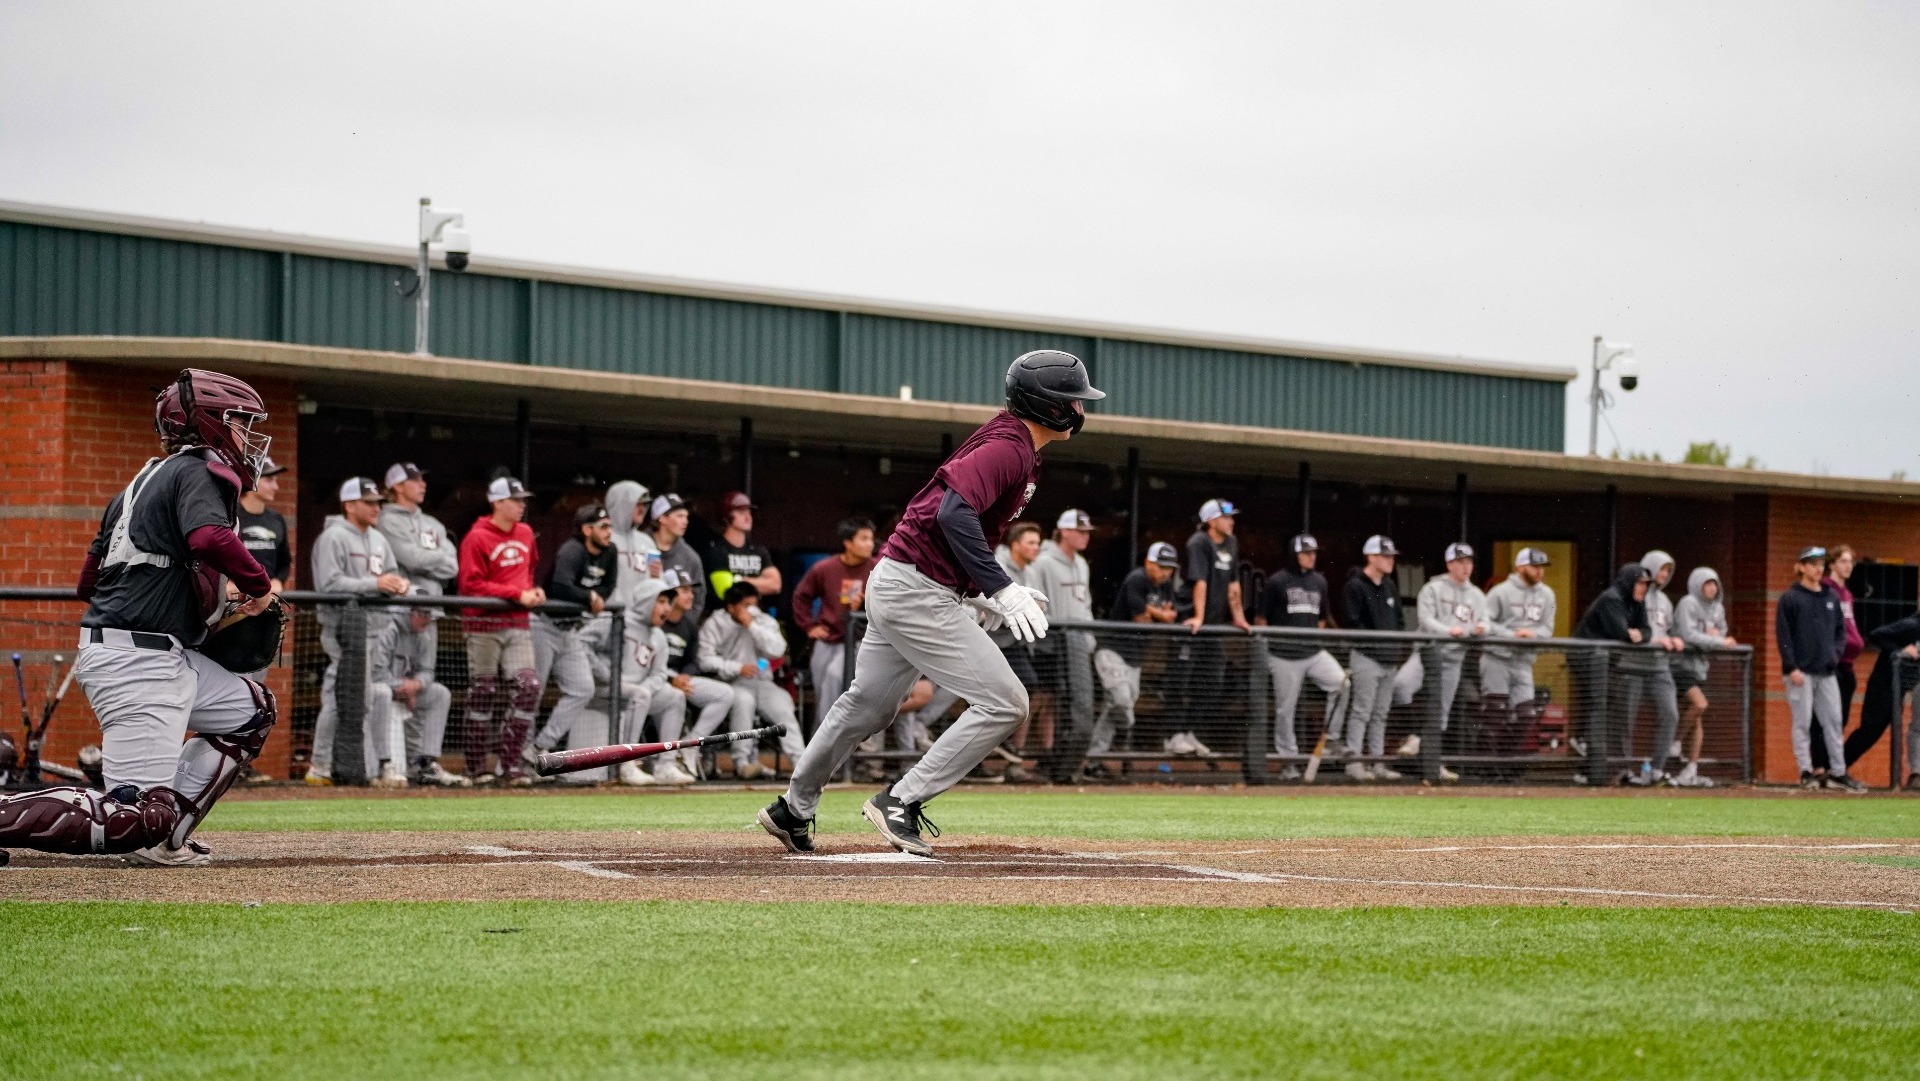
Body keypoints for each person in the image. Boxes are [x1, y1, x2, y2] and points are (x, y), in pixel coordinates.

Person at [758, 349, 1098, 856]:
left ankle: (793, 808)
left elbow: (956, 521)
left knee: (867, 706)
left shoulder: (1019, 445)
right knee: (1007, 702)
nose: (1080, 410)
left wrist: (981, 589)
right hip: (917, 590)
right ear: (1046, 405)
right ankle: (903, 799)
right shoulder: (1009, 447)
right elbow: (952, 514)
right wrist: (998, 586)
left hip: (904, 581)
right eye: (1072, 400)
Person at [0, 369, 278, 867]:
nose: (247, 435)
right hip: (139, 659)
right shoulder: (197, 468)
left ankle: (165, 840)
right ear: (210, 422)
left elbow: (88, 583)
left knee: (251, 712)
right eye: (240, 421)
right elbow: (208, 539)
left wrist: (196, 592)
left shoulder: (135, 485)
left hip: (153, 651)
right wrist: (257, 586)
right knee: (128, 816)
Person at [309, 477, 409, 787]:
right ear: (349, 505)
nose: (375, 507)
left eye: (378, 502)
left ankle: (336, 764)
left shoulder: (378, 539)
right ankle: (320, 764)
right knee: (343, 695)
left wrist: (398, 583)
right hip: (343, 629)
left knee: (360, 696)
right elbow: (329, 584)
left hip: (375, 628)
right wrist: (375, 584)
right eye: (368, 502)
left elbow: (392, 572)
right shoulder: (333, 537)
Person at [456, 475, 545, 785]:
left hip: (517, 623)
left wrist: (531, 591)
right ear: (496, 502)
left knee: (529, 686)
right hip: (483, 624)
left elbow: (527, 572)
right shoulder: (477, 537)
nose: (522, 506)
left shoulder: (525, 532)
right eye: (515, 500)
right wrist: (513, 593)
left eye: (523, 500)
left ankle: (510, 765)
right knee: (484, 690)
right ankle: (476, 767)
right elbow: (470, 586)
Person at [529, 504, 619, 764]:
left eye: (610, 527)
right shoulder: (572, 550)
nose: (608, 532)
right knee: (533, 693)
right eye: (603, 527)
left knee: (582, 688)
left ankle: (539, 746)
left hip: (570, 630)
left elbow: (609, 585)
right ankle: (513, 759)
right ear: (586, 529)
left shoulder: (609, 552)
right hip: (543, 626)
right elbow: (559, 585)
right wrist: (588, 596)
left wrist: (597, 596)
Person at [1256, 533, 1347, 781]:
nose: (1312, 557)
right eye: (1307, 553)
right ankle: (1289, 762)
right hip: (1283, 655)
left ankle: (1331, 739)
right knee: (1286, 710)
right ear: (1295, 556)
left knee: (1342, 684)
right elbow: (1261, 620)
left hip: (1313, 652)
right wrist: (1267, 656)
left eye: (1314, 553)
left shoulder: (1319, 581)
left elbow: (1321, 619)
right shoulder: (1277, 581)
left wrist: (1315, 640)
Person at [1089, 542, 1183, 777]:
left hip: (1136, 657)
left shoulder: (1165, 585)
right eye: (1161, 566)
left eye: (1170, 568)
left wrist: (1155, 612)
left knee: (1116, 708)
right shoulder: (1137, 578)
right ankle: (1122, 741)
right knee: (1121, 703)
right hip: (1112, 650)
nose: (1166, 572)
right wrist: (1157, 613)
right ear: (1148, 563)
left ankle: (1093, 760)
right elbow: (1141, 618)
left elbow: (1171, 616)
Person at [1777, 546, 1866, 792]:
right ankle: (1806, 771)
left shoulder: (1831, 597)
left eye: (1820, 565)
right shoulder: (1791, 598)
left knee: (1834, 722)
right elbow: (1784, 636)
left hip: (1827, 672)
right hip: (1801, 672)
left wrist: (1834, 655)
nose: (1818, 569)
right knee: (1803, 722)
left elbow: (1840, 632)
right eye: (1812, 564)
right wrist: (1791, 666)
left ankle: (1838, 771)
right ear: (1802, 567)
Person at [700, 581, 807, 773]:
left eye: (753, 605)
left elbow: (778, 650)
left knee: (783, 708)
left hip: (762, 683)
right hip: (728, 683)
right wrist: (736, 668)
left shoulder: (763, 621)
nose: (751, 610)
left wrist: (752, 626)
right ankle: (742, 763)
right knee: (744, 702)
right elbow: (704, 659)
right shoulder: (715, 623)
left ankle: (802, 766)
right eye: (745, 606)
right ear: (731, 606)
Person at [1172, 498, 1249, 756]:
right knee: (1182, 680)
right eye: (1226, 517)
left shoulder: (1232, 542)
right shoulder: (1198, 543)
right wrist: (1198, 617)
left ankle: (1189, 732)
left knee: (1213, 681)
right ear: (1212, 521)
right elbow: (1200, 582)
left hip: (1212, 626)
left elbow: (1234, 584)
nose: (1231, 521)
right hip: (1189, 621)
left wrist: (1239, 617)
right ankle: (1173, 735)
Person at [657, 567, 752, 777]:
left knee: (725, 693)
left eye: (691, 590)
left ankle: (691, 744)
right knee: (673, 697)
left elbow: (694, 661)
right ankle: (660, 761)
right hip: (657, 679)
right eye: (684, 590)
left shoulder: (689, 626)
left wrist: (684, 675)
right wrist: (672, 678)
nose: (691, 595)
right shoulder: (657, 621)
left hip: (681, 681)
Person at [1029, 509, 1097, 781]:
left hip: (1078, 644)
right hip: (1050, 641)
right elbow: (1036, 601)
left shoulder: (1082, 563)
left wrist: (1089, 637)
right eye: (1080, 531)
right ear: (1064, 531)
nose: (1085, 537)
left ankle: (1050, 756)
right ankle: (1018, 752)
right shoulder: (1043, 562)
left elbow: (1086, 604)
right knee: (1040, 697)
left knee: (1059, 702)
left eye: (1087, 533)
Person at [792, 516, 876, 734]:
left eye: (871, 539)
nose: (870, 544)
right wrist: (809, 626)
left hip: (860, 641)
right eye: (864, 538)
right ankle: (819, 750)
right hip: (828, 638)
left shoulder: (878, 569)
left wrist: (868, 602)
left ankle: (828, 742)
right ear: (847, 543)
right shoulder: (825, 568)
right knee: (823, 695)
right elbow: (801, 597)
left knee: (834, 677)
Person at [1571, 563, 1652, 785]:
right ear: (1629, 582)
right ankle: (1582, 740)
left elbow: (1647, 631)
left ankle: (1585, 763)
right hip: (1584, 656)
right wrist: (1632, 634)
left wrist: (1640, 635)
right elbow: (1620, 632)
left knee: (1604, 704)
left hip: (1605, 660)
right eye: (1640, 583)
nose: (1644, 588)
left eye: (1646, 584)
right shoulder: (1612, 598)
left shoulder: (1637, 603)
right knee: (1599, 702)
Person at [1415, 541, 1485, 781]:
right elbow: (1425, 620)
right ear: (1449, 564)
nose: (1466, 567)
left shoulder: (1476, 594)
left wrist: (1481, 627)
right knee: (1402, 689)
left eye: (1469, 562)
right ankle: (1413, 739)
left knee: (1441, 712)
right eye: (1460, 562)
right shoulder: (1433, 588)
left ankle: (1432, 762)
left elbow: (1486, 621)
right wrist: (1448, 630)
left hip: (1453, 659)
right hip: (1425, 652)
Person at [1617, 550, 1687, 784]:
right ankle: (1624, 770)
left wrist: (1674, 638)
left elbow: (1668, 630)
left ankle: (1656, 769)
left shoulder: (1666, 601)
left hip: (1659, 666)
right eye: (1662, 568)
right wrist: (1657, 640)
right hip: (1632, 663)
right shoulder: (1635, 594)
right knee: (1626, 719)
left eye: (1669, 570)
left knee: (1670, 714)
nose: (1665, 574)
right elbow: (1632, 630)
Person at [617, 576, 694, 785]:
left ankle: (665, 765)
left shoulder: (659, 636)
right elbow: (589, 647)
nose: (667, 608)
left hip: (638, 691)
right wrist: (604, 674)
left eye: (668, 603)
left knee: (675, 696)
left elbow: (660, 674)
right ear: (645, 601)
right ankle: (626, 764)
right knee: (640, 695)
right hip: (610, 685)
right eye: (661, 601)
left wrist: (644, 689)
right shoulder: (619, 622)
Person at [382, 596, 467, 787]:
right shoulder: (388, 629)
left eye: (429, 614)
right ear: (407, 612)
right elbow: (375, 674)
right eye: (422, 614)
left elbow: (427, 671)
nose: (427, 619)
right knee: (382, 693)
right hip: (382, 692)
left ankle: (424, 764)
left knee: (439, 694)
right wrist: (400, 688)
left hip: (407, 691)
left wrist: (415, 686)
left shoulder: (423, 633)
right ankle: (382, 765)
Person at [1342, 535, 1408, 781]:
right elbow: (1353, 622)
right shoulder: (1355, 586)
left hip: (1389, 660)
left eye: (1391, 556)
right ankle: (1355, 763)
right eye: (1385, 556)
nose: (1390, 561)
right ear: (1371, 557)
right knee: (1362, 711)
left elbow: (1400, 621)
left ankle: (1378, 763)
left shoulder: (1390, 586)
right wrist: (1378, 645)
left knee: (1381, 713)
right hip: (1366, 658)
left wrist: (1394, 646)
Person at [1481, 547, 1555, 761]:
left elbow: (1547, 630)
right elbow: (1485, 623)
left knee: (1526, 716)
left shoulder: (1547, 594)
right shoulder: (1500, 591)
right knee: (1495, 713)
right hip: (1497, 658)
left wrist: (1531, 634)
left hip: (1524, 662)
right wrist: (1511, 634)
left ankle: (1504, 763)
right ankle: (1485, 768)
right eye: (1535, 566)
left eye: (1542, 567)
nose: (1539, 571)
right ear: (1520, 567)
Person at [1669, 567, 1734, 787]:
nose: (1711, 588)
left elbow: (1722, 632)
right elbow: (1689, 634)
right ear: (1698, 584)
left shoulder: (1718, 609)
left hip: (1700, 668)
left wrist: (1716, 637)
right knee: (1700, 704)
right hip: (1680, 665)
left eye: (1714, 583)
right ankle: (1675, 741)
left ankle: (1691, 768)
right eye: (1707, 583)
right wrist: (1714, 638)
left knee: (1697, 720)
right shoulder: (1688, 603)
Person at [1840, 608, 1920, 785]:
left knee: (1880, 731)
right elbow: (1876, 634)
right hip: (1882, 684)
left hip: (1899, 686)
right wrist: (1901, 649)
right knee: (1870, 729)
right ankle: (1837, 766)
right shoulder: (1911, 626)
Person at [1811, 545, 1862, 775]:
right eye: (1843, 561)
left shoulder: (1847, 594)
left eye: (1850, 561)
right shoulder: (1826, 591)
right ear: (1832, 564)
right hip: (1831, 665)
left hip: (1847, 665)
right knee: (1823, 718)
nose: (1848, 566)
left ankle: (1835, 767)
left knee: (1840, 719)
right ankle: (1819, 766)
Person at [377, 462, 458, 594]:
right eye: (415, 480)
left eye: (423, 480)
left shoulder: (432, 523)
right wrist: (441, 557)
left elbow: (452, 568)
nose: (423, 485)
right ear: (398, 486)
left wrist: (424, 562)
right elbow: (413, 561)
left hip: (435, 605)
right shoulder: (387, 521)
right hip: (404, 607)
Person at [704, 491, 781, 601]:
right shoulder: (717, 551)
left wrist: (740, 580)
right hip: (724, 614)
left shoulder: (758, 550)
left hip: (755, 613)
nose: (748, 516)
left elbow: (776, 585)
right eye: (741, 512)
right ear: (726, 516)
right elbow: (725, 592)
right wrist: (760, 583)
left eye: (749, 511)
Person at [236, 456, 292, 595]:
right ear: (250, 481)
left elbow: (284, 562)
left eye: (276, 480)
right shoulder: (230, 516)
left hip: (267, 602)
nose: (276, 487)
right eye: (269, 480)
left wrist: (278, 580)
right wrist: (227, 583)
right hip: (233, 603)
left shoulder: (276, 519)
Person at [602, 479, 658, 614]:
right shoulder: (604, 539)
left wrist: (656, 576)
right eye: (637, 504)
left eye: (645, 505)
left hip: (640, 617)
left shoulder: (647, 542)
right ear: (622, 505)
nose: (642, 509)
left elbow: (656, 581)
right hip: (609, 616)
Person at [650, 493, 707, 623]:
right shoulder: (640, 547)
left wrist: (681, 629)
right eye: (679, 516)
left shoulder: (691, 557)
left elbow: (698, 600)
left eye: (686, 516)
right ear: (662, 518)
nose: (685, 521)